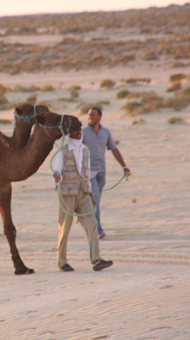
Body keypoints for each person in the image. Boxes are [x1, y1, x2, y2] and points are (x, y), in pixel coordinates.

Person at [53, 124, 113, 272]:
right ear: (69, 132)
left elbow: (86, 175)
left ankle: (96, 260)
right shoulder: (62, 151)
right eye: (75, 130)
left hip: (84, 194)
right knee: (65, 228)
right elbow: (56, 172)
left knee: (92, 224)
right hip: (67, 195)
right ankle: (61, 262)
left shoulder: (85, 150)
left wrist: (91, 194)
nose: (79, 132)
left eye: (80, 130)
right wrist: (57, 177)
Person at [82, 107, 131, 239]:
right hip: (88, 173)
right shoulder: (83, 133)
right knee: (95, 199)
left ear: (100, 117)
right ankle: (97, 230)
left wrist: (124, 166)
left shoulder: (106, 132)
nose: (90, 117)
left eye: (93, 115)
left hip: (102, 172)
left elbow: (114, 149)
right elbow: (74, 150)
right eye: (89, 115)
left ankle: (89, 227)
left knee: (94, 202)